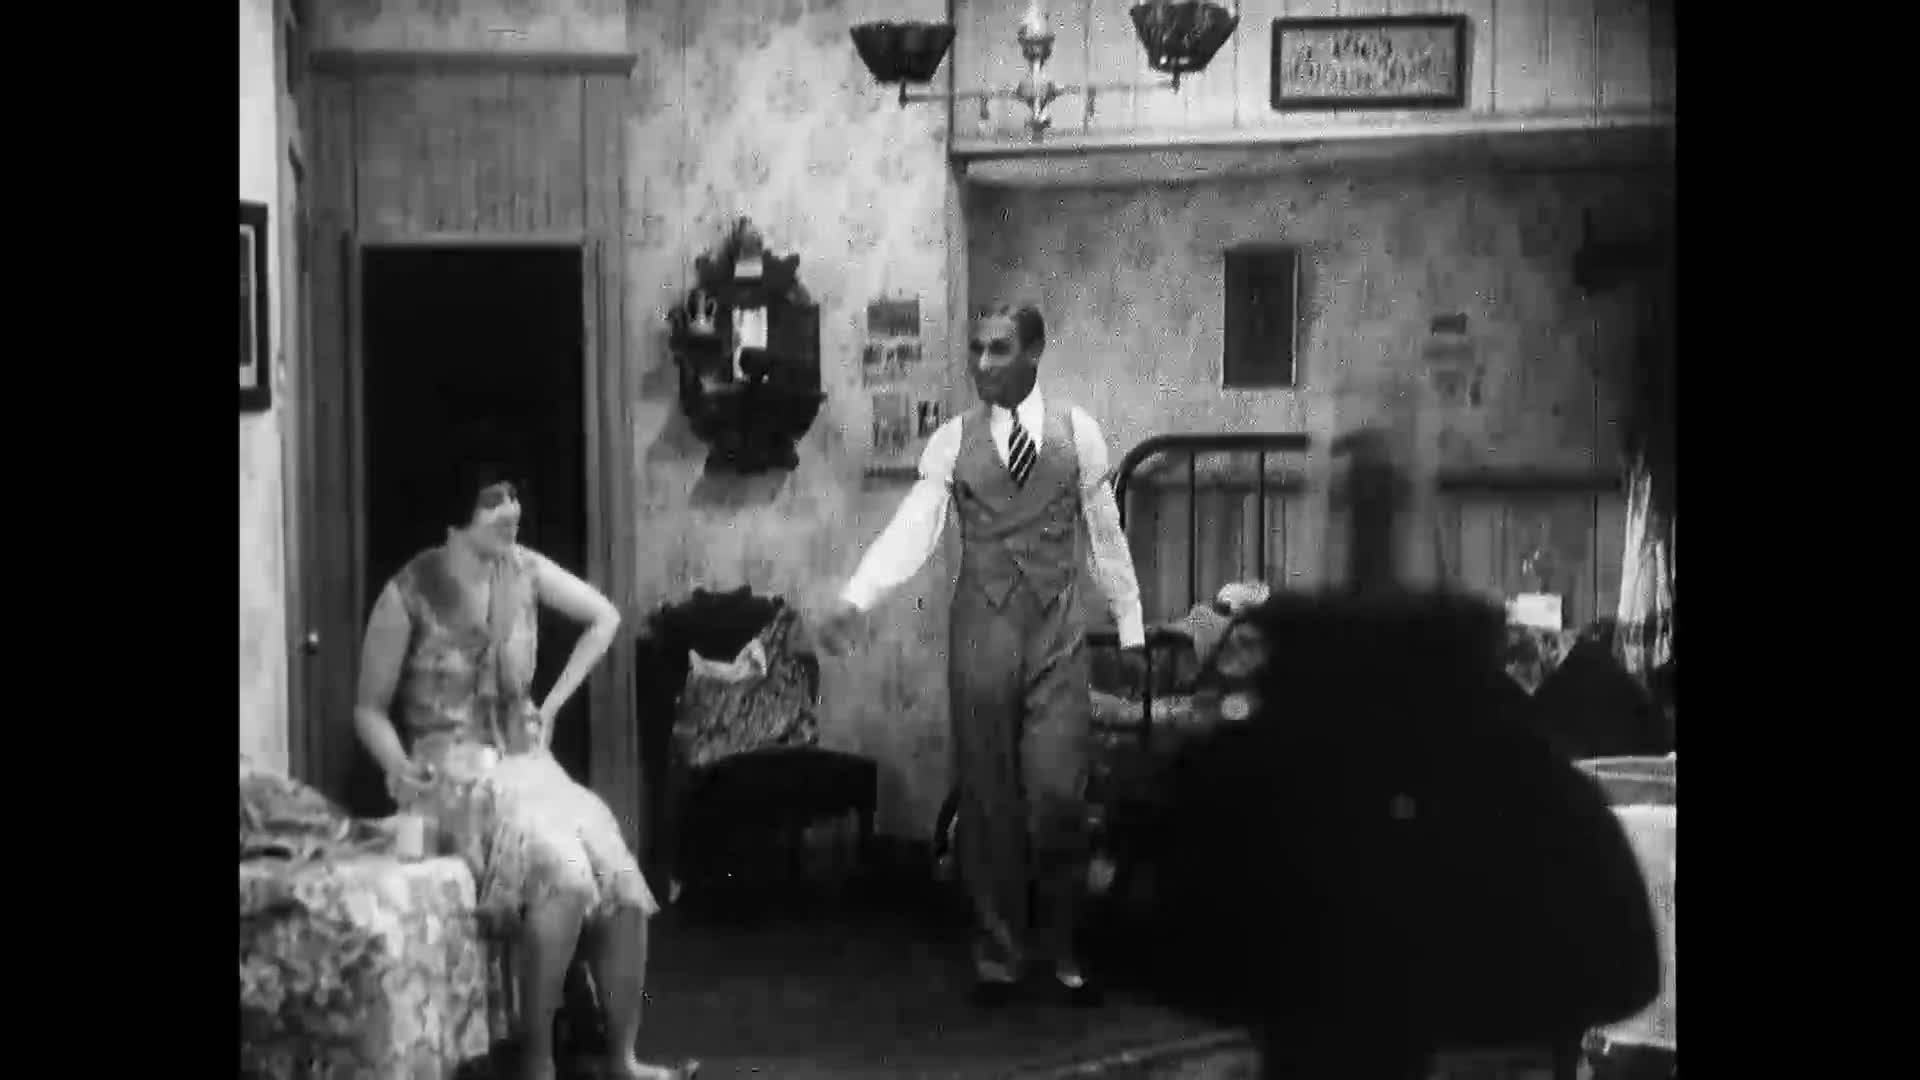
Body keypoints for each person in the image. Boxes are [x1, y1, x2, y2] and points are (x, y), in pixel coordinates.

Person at [816, 302, 1146, 1007]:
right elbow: (915, 527)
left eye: (999, 349)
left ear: (1034, 351)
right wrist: (857, 597)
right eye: (976, 349)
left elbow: (1106, 536)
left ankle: (1062, 946)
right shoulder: (951, 441)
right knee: (988, 802)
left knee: (1058, 797)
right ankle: (1000, 957)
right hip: (981, 634)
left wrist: (1132, 628)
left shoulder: (1077, 433)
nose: (982, 364)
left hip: (1057, 634)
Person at [354, 466, 696, 1080]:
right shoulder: (409, 590)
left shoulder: (525, 569)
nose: (511, 510)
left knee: (620, 880)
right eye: (493, 501)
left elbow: (605, 617)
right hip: (450, 776)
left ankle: (622, 1059)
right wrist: (400, 767)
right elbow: (368, 710)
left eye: (514, 496)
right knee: (566, 878)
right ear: (458, 513)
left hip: (526, 767)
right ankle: (536, 1064)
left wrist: (554, 703)